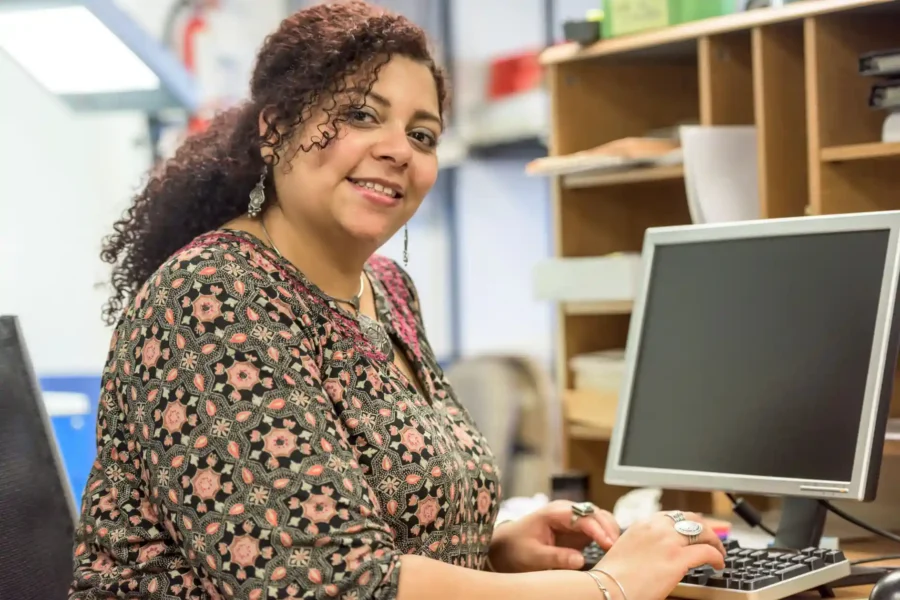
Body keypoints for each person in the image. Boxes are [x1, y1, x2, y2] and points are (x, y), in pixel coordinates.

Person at [68, 2, 726, 599]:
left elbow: (379, 532)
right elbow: (328, 584)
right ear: (274, 131)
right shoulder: (212, 295)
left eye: (423, 135)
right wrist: (610, 587)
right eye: (361, 114)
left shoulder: (386, 289)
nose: (397, 151)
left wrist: (493, 552)